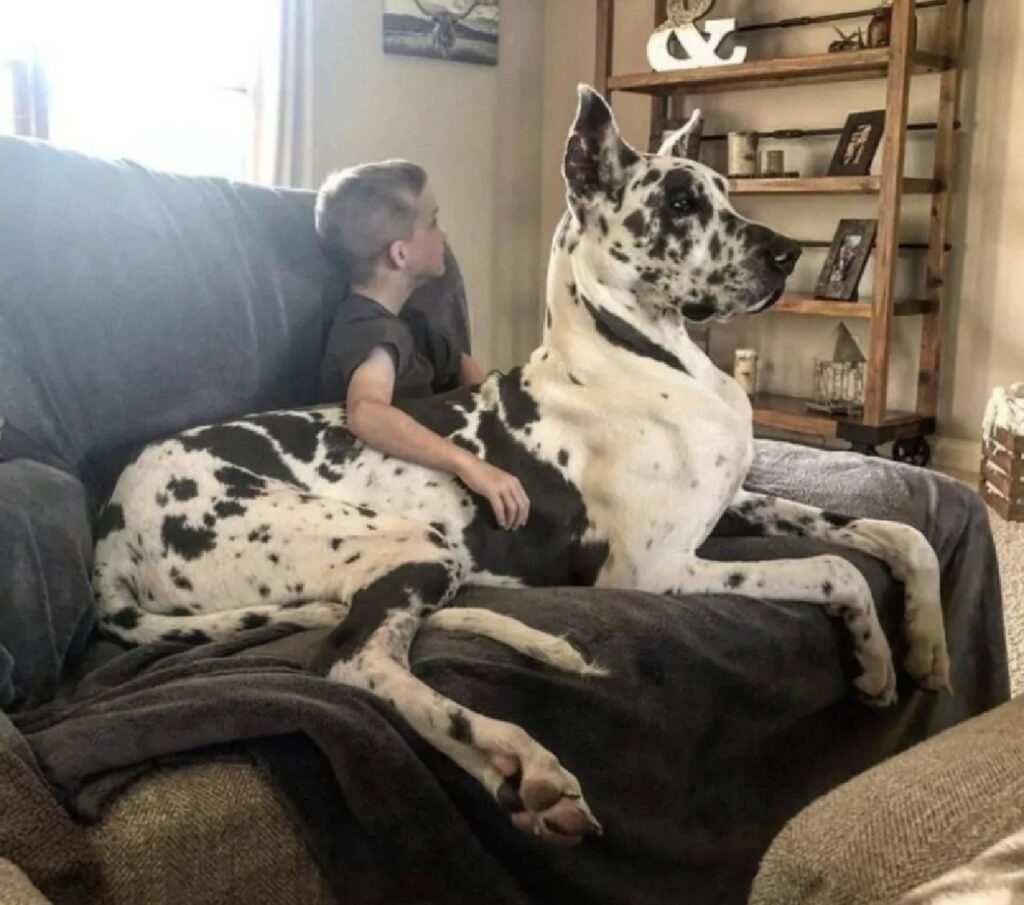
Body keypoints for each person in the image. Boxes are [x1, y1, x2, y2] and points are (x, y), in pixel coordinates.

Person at [315, 160, 529, 530]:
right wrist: (469, 465)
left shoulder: (413, 322)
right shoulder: (368, 329)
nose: (444, 234)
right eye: (433, 222)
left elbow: (470, 376)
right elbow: (366, 410)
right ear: (400, 254)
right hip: (384, 497)